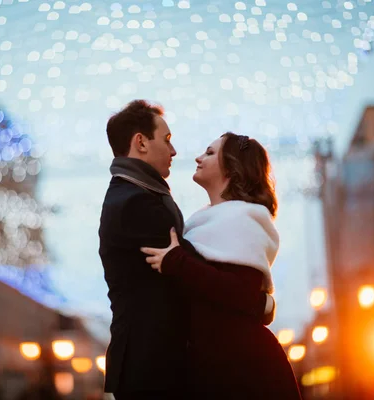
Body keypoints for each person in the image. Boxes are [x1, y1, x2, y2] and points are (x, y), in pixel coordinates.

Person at [98, 101, 274, 400]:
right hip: (153, 365)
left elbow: (190, 266)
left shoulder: (141, 195)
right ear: (140, 142)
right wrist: (259, 303)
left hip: (169, 364)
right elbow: (188, 270)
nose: (175, 151)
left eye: (209, 152)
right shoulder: (136, 202)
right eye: (166, 140)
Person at [141, 133, 302, 399]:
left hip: (246, 370)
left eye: (209, 152)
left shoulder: (244, 220)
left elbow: (239, 293)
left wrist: (177, 262)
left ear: (231, 165)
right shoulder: (202, 223)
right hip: (217, 368)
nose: (198, 157)